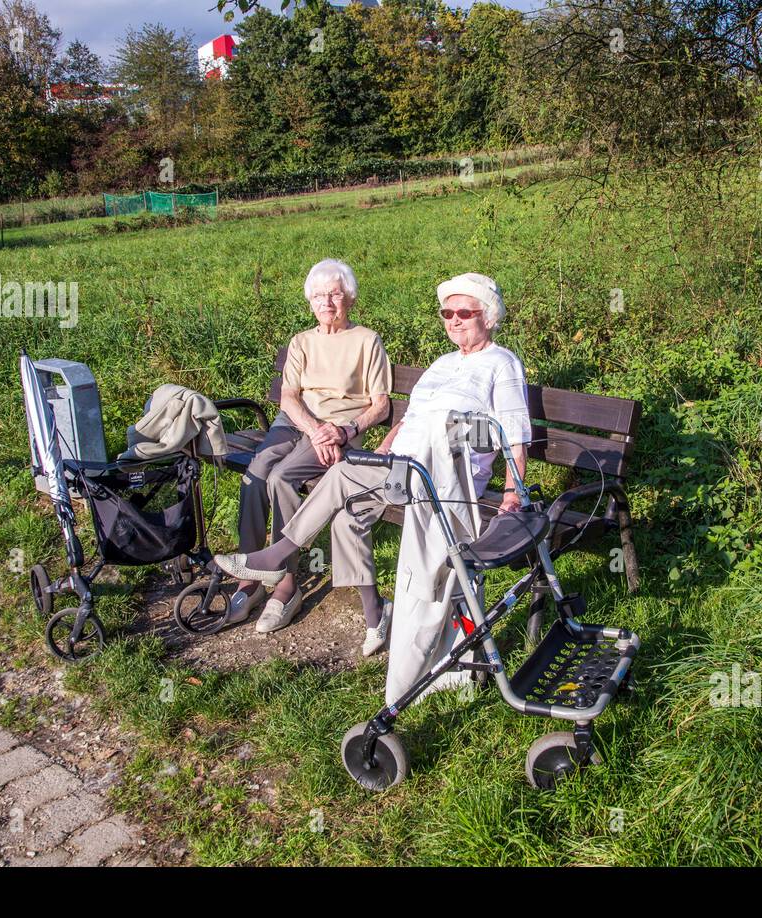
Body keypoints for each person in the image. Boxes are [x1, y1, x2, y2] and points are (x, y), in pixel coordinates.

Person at [215, 272, 531, 657]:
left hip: (445, 474)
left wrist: (513, 493)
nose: (454, 320)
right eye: (447, 313)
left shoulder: (502, 363)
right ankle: (374, 614)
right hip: (401, 467)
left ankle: (277, 555)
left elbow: (514, 432)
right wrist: (383, 451)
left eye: (464, 312)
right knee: (348, 514)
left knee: (343, 472)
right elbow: (406, 420)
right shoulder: (443, 364)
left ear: (489, 316)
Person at [228, 258, 392, 636]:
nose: (326, 303)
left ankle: (286, 583)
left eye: (334, 294)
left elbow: (380, 405)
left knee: (282, 478)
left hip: (339, 429)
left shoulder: (367, 340)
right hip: (299, 423)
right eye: (318, 296)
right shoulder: (301, 341)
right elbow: (288, 397)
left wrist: (345, 431)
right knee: (255, 475)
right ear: (309, 302)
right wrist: (316, 429)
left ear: (348, 297)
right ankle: (249, 580)